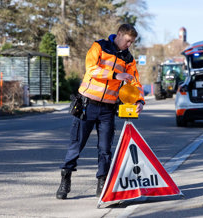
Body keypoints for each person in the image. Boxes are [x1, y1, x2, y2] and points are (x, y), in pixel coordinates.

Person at [56, 24, 145, 200]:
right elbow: (91, 69)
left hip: (107, 109)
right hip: (87, 105)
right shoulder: (99, 47)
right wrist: (115, 75)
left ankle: (102, 183)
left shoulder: (128, 59)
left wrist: (140, 100)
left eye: (132, 43)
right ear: (119, 35)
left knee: (105, 149)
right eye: (128, 41)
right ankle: (65, 180)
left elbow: (135, 82)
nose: (129, 45)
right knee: (76, 145)